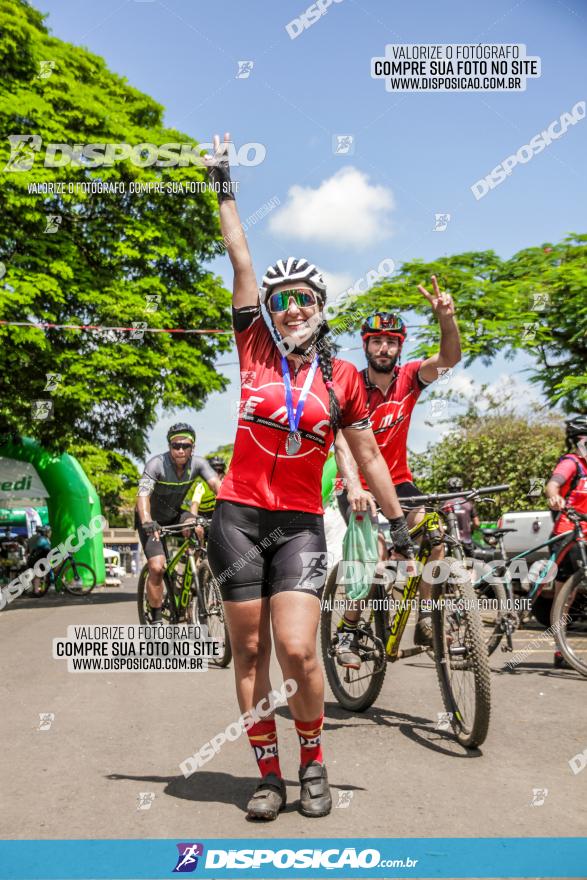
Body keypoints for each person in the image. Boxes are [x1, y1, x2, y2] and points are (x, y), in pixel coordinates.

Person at [203, 133, 416, 822]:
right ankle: (266, 774)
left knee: (297, 648)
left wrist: (396, 519)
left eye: (301, 298)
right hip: (237, 517)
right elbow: (240, 256)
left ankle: (313, 760)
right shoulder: (255, 349)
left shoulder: (343, 376)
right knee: (252, 652)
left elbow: (371, 456)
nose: (289, 308)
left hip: (296, 522)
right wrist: (222, 181)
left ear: (320, 305)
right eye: (279, 299)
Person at [334, 301, 461, 665]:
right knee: (374, 562)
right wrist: (354, 485)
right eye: (377, 341)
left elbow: (449, 359)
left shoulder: (409, 378)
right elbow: (340, 439)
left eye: (391, 341)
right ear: (365, 345)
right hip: (357, 486)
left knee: (435, 535)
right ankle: (349, 632)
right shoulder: (350, 384)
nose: (384, 348)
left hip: (400, 482)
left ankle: (425, 617)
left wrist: (446, 318)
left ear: (400, 347)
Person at [135, 424, 221, 622]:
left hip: (175, 515)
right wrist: (147, 520)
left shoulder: (198, 464)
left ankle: (193, 574)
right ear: (169, 446)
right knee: (157, 567)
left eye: (185, 445)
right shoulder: (156, 464)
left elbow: (217, 485)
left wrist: (231, 509)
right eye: (176, 446)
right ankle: (156, 618)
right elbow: (143, 494)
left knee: (197, 526)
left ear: (193, 447)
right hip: (151, 520)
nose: (181, 450)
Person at [545, 415, 587, 668]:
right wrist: (555, 497)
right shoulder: (572, 463)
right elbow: (553, 485)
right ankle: (560, 648)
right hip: (568, 535)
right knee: (565, 596)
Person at [443, 476, 480, 557]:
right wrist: (470, 529)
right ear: (461, 488)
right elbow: (477, 523)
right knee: (470, 566)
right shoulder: (468, 503)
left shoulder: (445, 503)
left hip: (452, 542)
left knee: (452, 565)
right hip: (467, 540)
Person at [186, 455, 226, 524]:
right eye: (213, 470)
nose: (217, 474)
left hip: (218, 513)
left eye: (220, 471)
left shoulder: (226, 484)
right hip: (203, 515)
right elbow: (194, 505)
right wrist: (194, 522)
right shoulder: (201, 486)